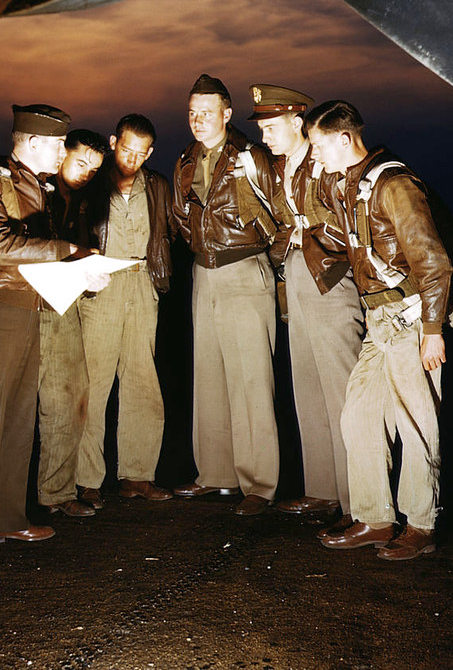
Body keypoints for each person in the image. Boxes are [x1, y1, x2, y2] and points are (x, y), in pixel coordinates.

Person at [0, 103, 93, 572]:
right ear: (31, 143)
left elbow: (35, 256)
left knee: (16, 422)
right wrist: (69, 250)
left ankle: (4, 519)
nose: (62, 151)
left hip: (29, 310)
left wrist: (81, 270)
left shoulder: (38, 187)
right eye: (56, 143)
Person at [306, 100, 452, 561]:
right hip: (379, 321)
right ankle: (374, 517)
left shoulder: (393, 184)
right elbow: (349, 244)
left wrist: (432, 329)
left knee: (416, 425)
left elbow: (433, 261)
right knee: (359, 416)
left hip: (409, 319)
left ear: (344, 139)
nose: (316, 156)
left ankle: (421, 524)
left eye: (319, 146)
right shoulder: (350, 187)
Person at [249, 84, 364, 535]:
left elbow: (348, 222)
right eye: (261, 128)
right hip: (298, 275)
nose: (265, 137)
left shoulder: (323, 165)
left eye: (272, 127)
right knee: (309, 385)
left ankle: (360, 499)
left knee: (340, 390)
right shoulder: (281, 167)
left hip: (331, 279)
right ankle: (323, 488)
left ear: (298, 122)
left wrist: (304, 236)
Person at [171, 74, 281, 516]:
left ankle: (259, 484)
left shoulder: (250, 156)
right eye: (192, 113)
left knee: (252, 379)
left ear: (227, 114)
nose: (198, 120)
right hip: (204, 272)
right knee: (209, 376)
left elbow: (277, 213)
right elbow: (181, 218)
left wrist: (261, 263)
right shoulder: (185, 159)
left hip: (242, 269)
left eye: (207, 112)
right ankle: (214, 475)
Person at [76, 114, 175, 508]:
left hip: (142, 282)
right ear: (114, 141)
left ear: (149, 152)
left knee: (142, 380)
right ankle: (86, 480)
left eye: (140, 153)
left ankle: (137, 475)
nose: (131, 159)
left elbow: (170, 232)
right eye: (126, 149)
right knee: (93, 382)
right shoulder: (92, 183)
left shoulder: (157, 186)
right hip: (101, 284)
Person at [37, 129, 110, 518]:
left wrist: (91, 278)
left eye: (94, 169)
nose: (85, 173)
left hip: (61, 306)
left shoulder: (83, 202)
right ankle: (17, 500)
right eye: (80, 162)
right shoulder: (36, 191)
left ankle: (56, 493)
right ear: (61, 153)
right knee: (29, 404)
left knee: (71, 397)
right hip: (27, 306)